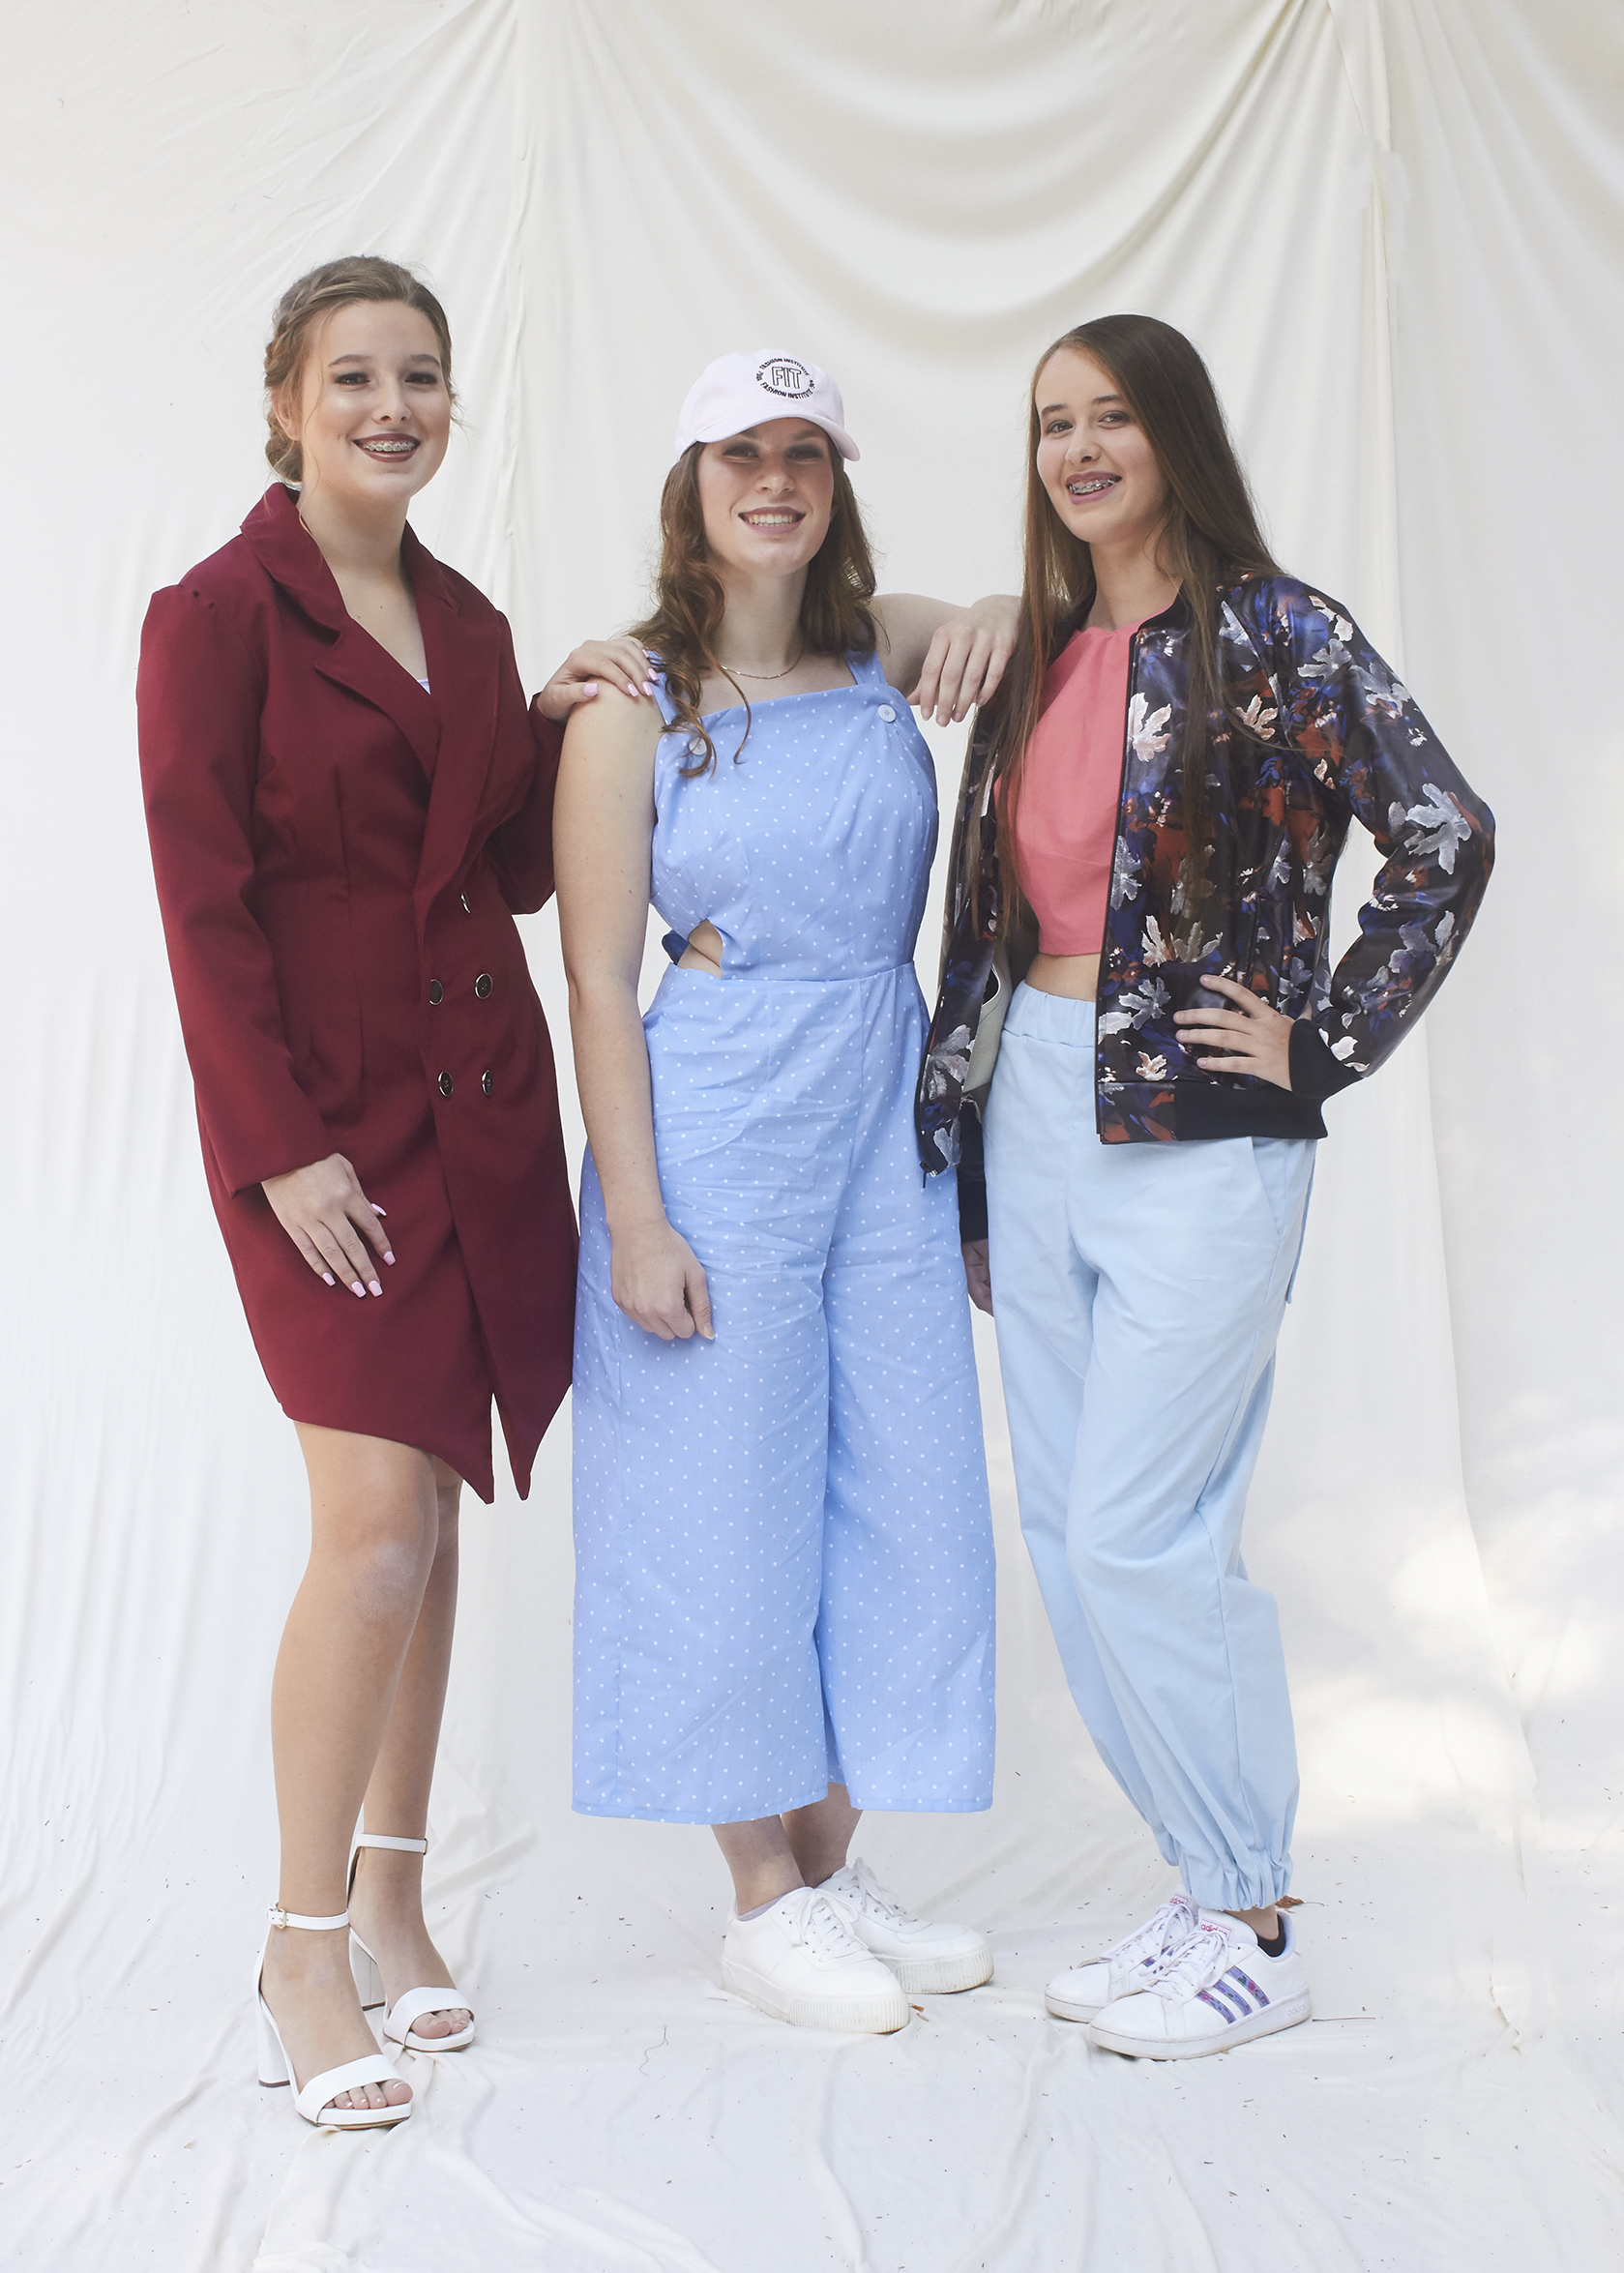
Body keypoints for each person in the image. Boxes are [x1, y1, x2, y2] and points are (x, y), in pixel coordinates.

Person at [916, 313, 1494, 2060]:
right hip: (1035, 1107)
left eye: (1109, 419)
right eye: (1050, 426)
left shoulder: (1286, 635)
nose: (1078, 451)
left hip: (1204, 1138)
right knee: (1070, 1542)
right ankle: (1198, 1888)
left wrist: (1321, 1041)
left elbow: (1447, 836)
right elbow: (991, 907)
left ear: (1173, 432)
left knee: (1143, 1536)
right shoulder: (1038, 655)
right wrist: (973, 1183)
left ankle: (1258, 1915)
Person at [137, 257, 615, 2127]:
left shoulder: (472, 621)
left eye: (420, 378)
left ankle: (404, 1907)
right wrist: (277, 1150)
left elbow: (497, 865)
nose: (392, 408)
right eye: (354, 379)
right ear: (283, 398)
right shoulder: (215, 616)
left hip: (476, 1115)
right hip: (321, 1138)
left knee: (435, 1505)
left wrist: (566, 709)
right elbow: (201, 911)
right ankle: (295, 1949)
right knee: (377, 1533)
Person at [554, 350, 1012, 2033]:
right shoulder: (628, 701)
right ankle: (762, 1892)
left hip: (880, 1096)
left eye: (804, 450)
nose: (776, 477)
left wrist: (978, 602)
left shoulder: (880, 647)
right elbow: (601, 976)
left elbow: (1026, 626)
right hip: (720, 1100)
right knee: (716, 1492)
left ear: (835, 479)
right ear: (691, 480)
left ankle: (832, 1859)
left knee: (899, 1479)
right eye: (742, 450)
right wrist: (646, 1214)